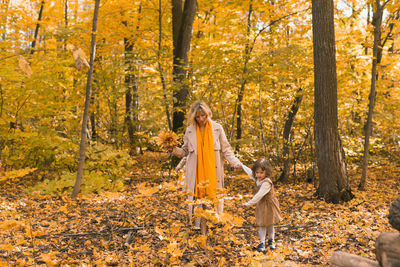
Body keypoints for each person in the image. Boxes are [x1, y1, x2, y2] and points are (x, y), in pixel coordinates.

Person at [170, 101, 242, 230]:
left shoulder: (217, 128)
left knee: (214, 194)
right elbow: (185, 152)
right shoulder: (190, 130)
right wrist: (173, 148)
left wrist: (235, 162)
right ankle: (198, 226)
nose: (201, 119)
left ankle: (213, 223)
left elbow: (226, 149)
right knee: (196, 196)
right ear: (194, 117)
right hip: (196, 171)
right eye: (198, 117)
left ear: (208, 114)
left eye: (203, 115)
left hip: (213, 171)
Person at [242, 158, 282, 252]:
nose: (258, 175)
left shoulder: (266, 183)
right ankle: (262, 243)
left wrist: (248, 203)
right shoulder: (258, 179)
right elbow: (250, 173)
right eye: (257, 172)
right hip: (261, 206)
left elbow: (258, 195)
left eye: (261, 173)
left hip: (269, 205)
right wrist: (241, 166)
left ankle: (271, 241)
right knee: (262, 224)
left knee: (270, 224)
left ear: (266, 172)